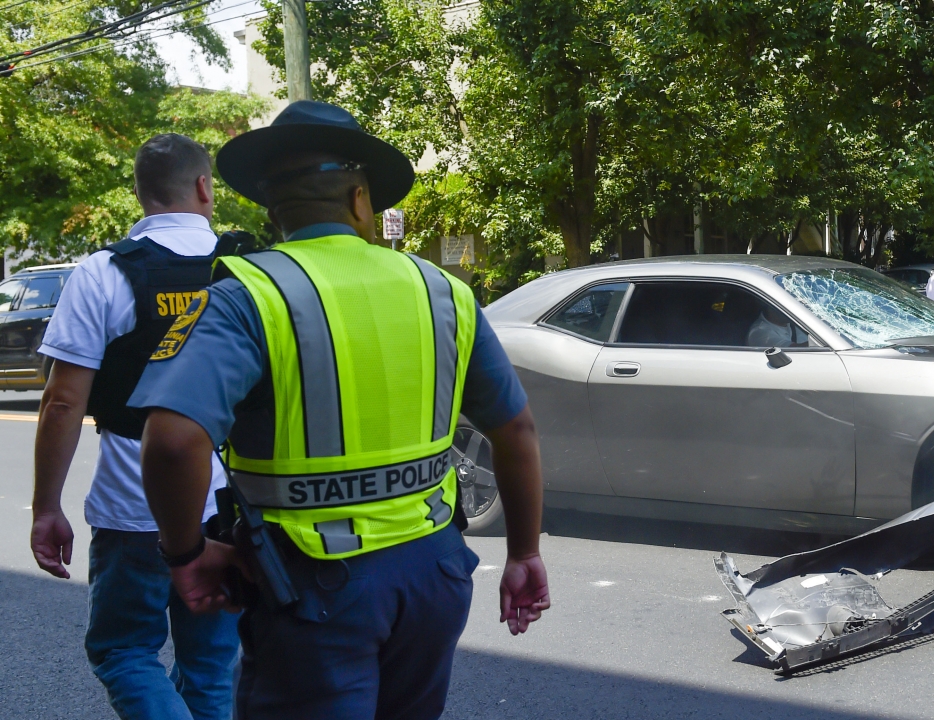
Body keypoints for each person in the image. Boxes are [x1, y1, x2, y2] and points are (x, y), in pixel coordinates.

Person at [127, 101, 549, 719]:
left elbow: (170, 443)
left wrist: (186, 555)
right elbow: (515, 428)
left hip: (311, 585)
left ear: (274, 209)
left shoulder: (246, 295)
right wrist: (523, 553)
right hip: (432, 571)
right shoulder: (443, 291)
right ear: (359, 201)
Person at [29, 134, 240, 720]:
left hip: (134, 503)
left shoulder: (103, 273)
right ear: (205, 187)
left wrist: (47, 506)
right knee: (211, 664)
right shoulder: (248, 269)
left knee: (123, 650)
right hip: (230, 501)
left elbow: (62, 402)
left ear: (141, 194)